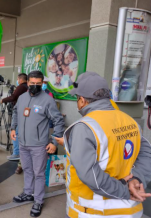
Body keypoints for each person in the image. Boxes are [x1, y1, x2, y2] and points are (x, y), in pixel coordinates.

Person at [59, 72, 151, 218]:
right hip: (132, 212)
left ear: (82, 100)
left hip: (92, 212)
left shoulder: (84, 127)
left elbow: (91, 176)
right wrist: (137, 179)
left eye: (77, 99)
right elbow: (146, 154)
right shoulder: (130, 121)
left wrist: (125, 190)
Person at [11, 70, 65, 217]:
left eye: (38, 84)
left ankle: (39, 200)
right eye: (32, 83)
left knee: (39, 174)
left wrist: (54, 141)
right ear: (27, 83)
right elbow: (15, 112)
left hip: (39, 145)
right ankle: (28, 193)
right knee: (27, 170)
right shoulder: (22, 98)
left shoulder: (47, 100)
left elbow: (59, 121)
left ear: (42, 84)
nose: (34, 86)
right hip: (23, 143)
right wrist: (12, 128)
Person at [1, 73, 28, 161]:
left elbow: (13, 97)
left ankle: (16, 153)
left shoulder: (21, 87)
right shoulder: (26, 87)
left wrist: (3, 100)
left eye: (17, 79)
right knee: (18, 132)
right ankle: (19, 152)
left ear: (20, 79)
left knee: (15, 132)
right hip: (23, 112)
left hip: (19, 111)